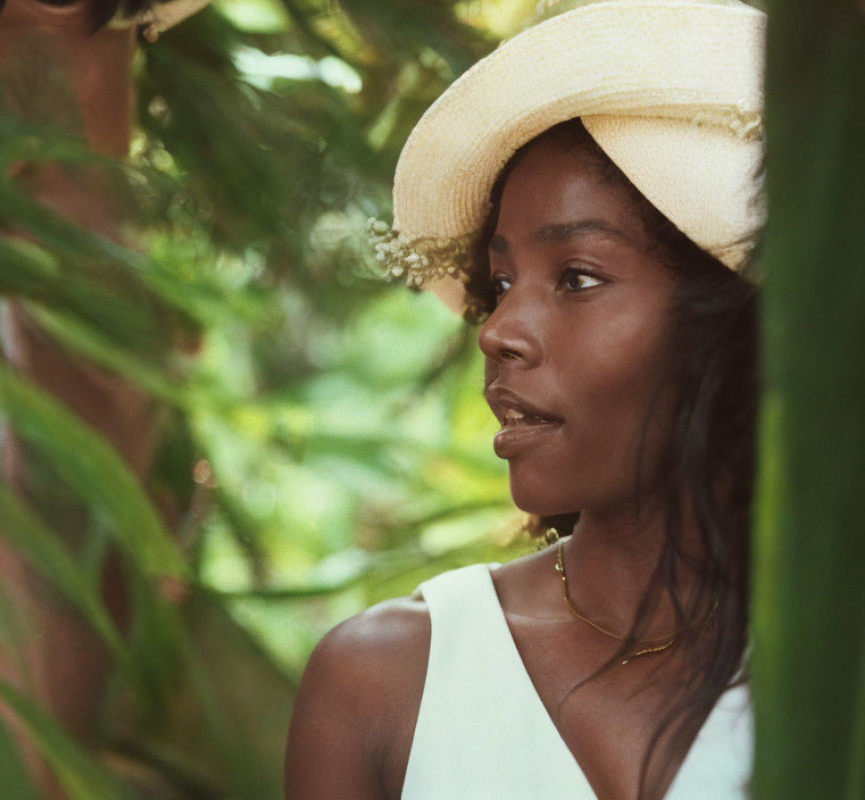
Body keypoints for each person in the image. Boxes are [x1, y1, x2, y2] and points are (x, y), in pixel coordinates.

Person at [285, 0, 765, 797]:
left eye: (576, 277)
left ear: (734, 318)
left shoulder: (833, 677)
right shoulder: (387, 685)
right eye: (500, 284)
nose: (498, 331)